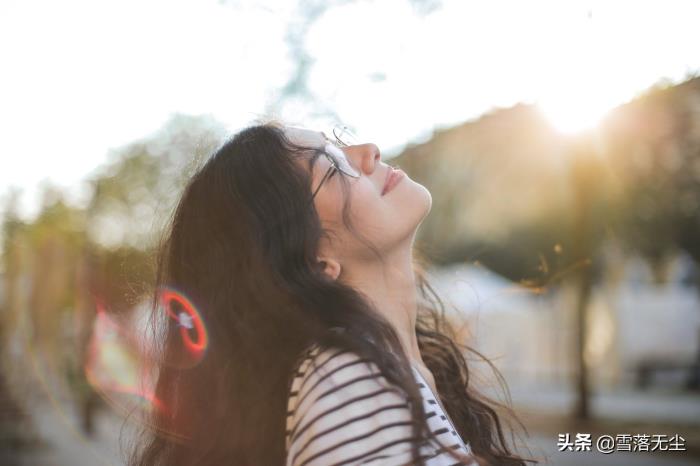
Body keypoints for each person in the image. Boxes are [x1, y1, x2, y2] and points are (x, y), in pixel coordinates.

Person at [128, 122, 534, 466]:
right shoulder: (348, 377)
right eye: (333, 166)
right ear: (312, 256)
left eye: (340, 143)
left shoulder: (397, 372)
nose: (369, 152)